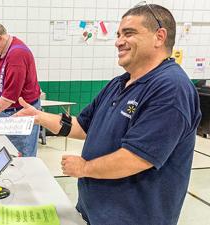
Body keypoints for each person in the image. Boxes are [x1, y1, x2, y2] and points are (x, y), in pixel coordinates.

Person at [15, 4, 201, 225]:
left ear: (159, 37)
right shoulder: (119, 83)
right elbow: (82, 126)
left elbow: (137, 158)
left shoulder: (170, 88)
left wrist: (84, 168)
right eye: (118, 34)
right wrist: (39, 116)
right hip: (95, 212)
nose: (118, 41)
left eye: (129, 33)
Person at [0, 22, 41, 157]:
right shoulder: (5, 52)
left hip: (19, 113)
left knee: (21, 156)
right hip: (9, 111)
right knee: (8, 156)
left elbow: (9, 97)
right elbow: (7, 80)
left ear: (0, 38)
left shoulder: (16, 54)